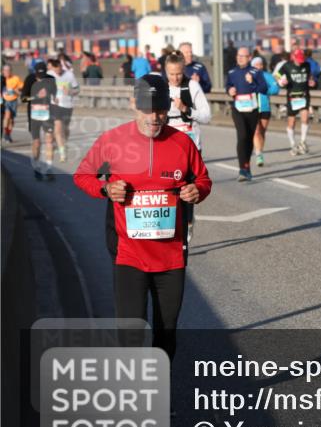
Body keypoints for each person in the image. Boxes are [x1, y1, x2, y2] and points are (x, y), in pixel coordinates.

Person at [74, 75, 212, 360]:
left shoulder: (183, 143)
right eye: (147, 109)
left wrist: (196, 191)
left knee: (166, 333)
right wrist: (105, 188)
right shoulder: (112, 140)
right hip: (129, 255)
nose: (154, 117)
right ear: (133, 104)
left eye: (160, 110)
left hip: (171, 257)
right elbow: (82, 176)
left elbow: (203, 180)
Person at [225, 46, 269, 181]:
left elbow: (264, 88)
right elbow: (228, 86)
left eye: (242, 56)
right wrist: (230, 90)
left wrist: (253, 82)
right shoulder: (232, 72)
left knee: (249, 138)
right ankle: (242, 170)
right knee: (242, 136)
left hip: (252, 109)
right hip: (238, 108)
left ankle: (246, 165)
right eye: (238, 56)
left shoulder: (255, 72)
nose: (239, 58)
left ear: (249, 57)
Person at [163, 53, 211, 151]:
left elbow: (206, 117)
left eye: (178, 74)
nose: (175, 78)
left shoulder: (192, 86)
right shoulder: (161, 88)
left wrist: (186, 109)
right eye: (171, 74)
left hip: (191, 146)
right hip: (169, 146)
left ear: (184, 70)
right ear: (166, 71)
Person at [21, 62, 56, 179]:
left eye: (43, 75)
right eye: (38, 75)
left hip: (48, 114)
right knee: (36, 142)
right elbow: (23, 98)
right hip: (34, 115)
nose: (40, 78)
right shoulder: (29, 79)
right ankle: (36, 167)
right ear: (35, 73)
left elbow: (55, 97)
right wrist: (36, 97)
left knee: (49, 140)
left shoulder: (51, 79)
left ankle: (49, 168)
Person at [278, 48, 315, 156]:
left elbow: (310, 77)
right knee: (292, 122)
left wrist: (311, 82)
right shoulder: (287, 66)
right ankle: (293, 145)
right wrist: (281, 81)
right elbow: (276, 75)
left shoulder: (307, 65)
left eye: (301, 60)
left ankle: (303, 142)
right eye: (298, 60)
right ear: (293, 57)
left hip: (304, 95)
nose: (300, 62)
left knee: (305, 118)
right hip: (292, 97)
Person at [48, 57, 80, 162]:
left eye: (59, 68)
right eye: (55, 69)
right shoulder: (49, 75)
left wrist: (70, 92)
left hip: (68, 105)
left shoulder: (69, 75)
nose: (57, 71)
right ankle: (63, 154)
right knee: (57, 129)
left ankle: (63, 143)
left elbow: (77, 89)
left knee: (65, 129)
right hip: (55, 105)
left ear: (61, 67)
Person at [251, 56, 281, 167]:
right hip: (253, 107)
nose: (259, 66)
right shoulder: (249, 76)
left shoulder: (267, 76)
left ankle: (260, 151)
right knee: (256, 131)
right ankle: (258, 154)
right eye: (256, 64)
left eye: (260, 64)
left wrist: (265, 90)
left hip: (265, 107)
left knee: (262, 132)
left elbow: (276, 89)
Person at [2, 63, 24, 142]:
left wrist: (17, 91)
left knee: (11, 120)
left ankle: (8, 134)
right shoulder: (2, 79)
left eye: (8, 70)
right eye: (5, 70)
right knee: (7, 115)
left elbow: (21, 89)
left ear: (11, 71)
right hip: (5, 101)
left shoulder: (16, 78)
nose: (6, 72)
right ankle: (5, 132)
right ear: (3, 71)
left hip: (14, 101)